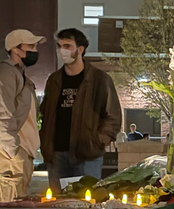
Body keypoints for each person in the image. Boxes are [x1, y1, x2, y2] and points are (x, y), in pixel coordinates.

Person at [40, 29, 121, 193]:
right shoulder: (54, 79)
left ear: (80, 49)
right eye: (60, 46)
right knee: (59, 205)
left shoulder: (99, 79)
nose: (62, 50)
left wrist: (97, 141)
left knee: (86, 203)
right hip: (57, 154)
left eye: (68, 46)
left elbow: (113, 117)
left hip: (87, 155)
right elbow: (46, 112)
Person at [0, 29, 44, 202]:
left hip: (17, 152)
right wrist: (12, 150)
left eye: (36, 46)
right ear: (16, 49)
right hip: (8, 152)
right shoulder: (4, 73)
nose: (35, 50)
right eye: (30, 46)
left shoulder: (18, 75)